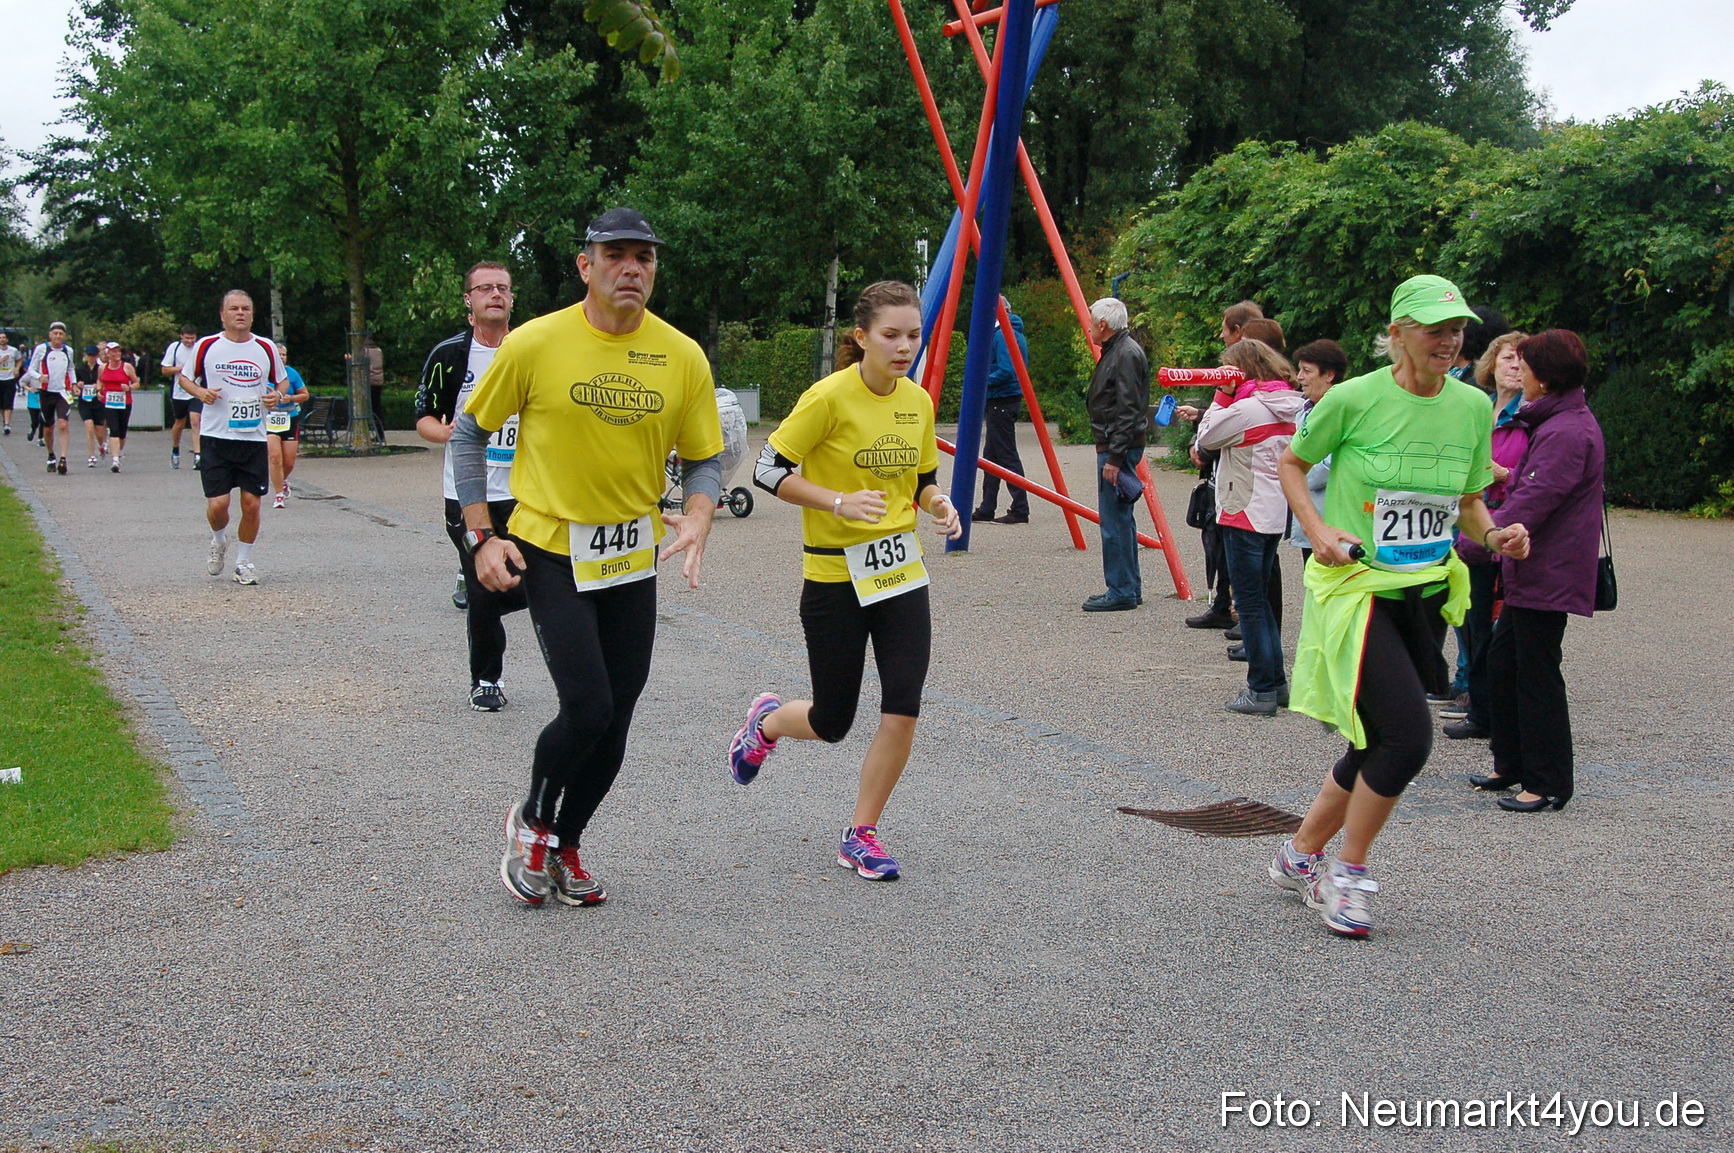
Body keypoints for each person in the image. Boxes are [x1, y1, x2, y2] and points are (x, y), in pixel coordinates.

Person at [453, 207, 723, 908]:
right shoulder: (536, 342)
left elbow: (703, 461)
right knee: (587, 704)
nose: (633, 268)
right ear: (587, 266)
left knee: (617, 716)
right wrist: (481, 535)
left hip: (631, 557)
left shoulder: (682, 355)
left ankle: (567, 839)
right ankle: (532, 822)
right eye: (617, 256)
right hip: (550, 548)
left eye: (646, 258)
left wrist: (698, 516)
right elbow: (467, 436)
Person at [1268, 274, 1530, 938]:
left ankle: (1299, 855)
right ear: (1395, 335)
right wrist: (1320, 532)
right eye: (1434, 329)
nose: (1449, 341)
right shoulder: (1354, 399)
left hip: (1424, 592)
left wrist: (1495, 534)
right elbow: (1292, 464)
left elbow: (1468, 501)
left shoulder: (1472, 407)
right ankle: (1345, 873)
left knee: (1375, 739)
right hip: (1355, 590)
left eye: (1457, 330)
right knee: (1409, 738)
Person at [730, 281, 961, 882]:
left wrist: (938, 504)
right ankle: (767, 722)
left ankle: (862, 833)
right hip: (835, 578)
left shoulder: (917, 402)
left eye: (913, 335)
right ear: (861, 337)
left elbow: (921, 479)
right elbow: (767, 470)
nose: (904, 345)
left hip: (900, 574)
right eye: (891, 335)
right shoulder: (827, 398)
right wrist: (836, 501)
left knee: (903, 707)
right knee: (834, 721)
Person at [1472, 330, 1605, 812]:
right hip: (1536, 567)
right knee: (1504, 663)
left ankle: (1547, 781)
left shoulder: (1567, 431)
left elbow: (1535, 499)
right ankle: (1511, 763)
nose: (1518, 373)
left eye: (1524, 367)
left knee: (1536, 673)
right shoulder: (1556, 421)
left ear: (1545, 379)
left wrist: (1478, 538)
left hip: (1550, 570)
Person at [415, 261, 527, 712]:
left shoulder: (530, 350)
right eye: (485, 288)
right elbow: (423, 418)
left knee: (535, 581)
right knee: (485, 590)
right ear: (469, 300)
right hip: (467, 495)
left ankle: (477, 584)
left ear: (512, 299)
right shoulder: (449, 355)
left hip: (525, 494)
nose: (495, 294)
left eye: (503, 288)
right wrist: (455, 435)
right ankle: (486, 678)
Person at [1197, 338, 1306, 715]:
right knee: (1261, 602)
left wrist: (1221, 396)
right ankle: (1275, 683)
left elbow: (1206, 438)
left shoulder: (1248, 408)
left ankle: (1261, 688)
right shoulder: (1293, 403)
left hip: (1243, 509)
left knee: (1251, 605)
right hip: (1274, 511)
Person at [1445, 330, 1529, 740]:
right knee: (1471, 623)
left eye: (1521, 360)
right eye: (1508, 359)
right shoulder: (1481, 409)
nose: (1514, 367)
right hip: (1470, 534)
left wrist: (1504, 475)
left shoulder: (1531, 415)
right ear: (1491, 365)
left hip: (1506, 530)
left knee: (1500, 632)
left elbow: (1539, 479)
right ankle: (1479, 708)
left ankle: (1496, 711)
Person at [179, 290, 288, 586]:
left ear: (252, 314)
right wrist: (200, 392)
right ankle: (218, 540)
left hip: (253, 438)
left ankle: (244, 561)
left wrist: (276, 395)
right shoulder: (207, 346)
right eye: (234, 309)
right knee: (218, 505)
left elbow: (282, 380)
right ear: (222, 314)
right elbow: (184, 378)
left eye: (246, 309)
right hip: (216, 436)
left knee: (252, 503)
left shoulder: (265, 347)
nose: (240, 313)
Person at [1081, 297, 1149, 612]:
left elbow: (1128, 408)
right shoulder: (1122, 351)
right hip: (1118, 443)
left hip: (1116, 445)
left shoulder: (1123, 354)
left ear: (1103, 326)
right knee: (1121, 517)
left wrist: (1115, 458)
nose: (1090, 327)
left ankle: (1121, 588)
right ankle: (1127, 586)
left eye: (1093, 322)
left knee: (1114, 520)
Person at [1285, 339, 1348, 565]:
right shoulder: (1305, 408)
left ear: (1329, 375)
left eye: (1306, 371)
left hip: (1333, 519)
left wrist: (1292, 473)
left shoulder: (1342, 409)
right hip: (1310, 521)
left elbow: (1326, 466)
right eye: (1299, 369)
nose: (1299, 377)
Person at [972, 296, 1031, 525]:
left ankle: (1020, 508)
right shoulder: (1008, 333)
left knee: (1005, 454)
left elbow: (1007, 370)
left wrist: (982, 380)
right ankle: (988, 507)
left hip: (1002, 399)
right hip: (1002, 399)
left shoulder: (1004, 335)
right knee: (993, 456)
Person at [29, 322, 76, 474]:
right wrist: (39, 377)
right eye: (55, 333)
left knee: (63, 424)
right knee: (48, 427)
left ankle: (63, 459)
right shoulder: (42, 349)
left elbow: (71, 368)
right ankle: (51, 455)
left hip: (63, 392)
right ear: (50, 335)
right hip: (47, 392)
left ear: (64, 336)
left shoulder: (68, 351)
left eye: (60, 334)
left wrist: (74, 383)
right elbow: (31, 369)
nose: (57, 336)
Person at [267, 345, 311, 507]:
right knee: (275, 457)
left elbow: (305, 395)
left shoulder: (292, 374)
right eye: (279, 355)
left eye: (284, 355)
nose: (282, 357)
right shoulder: (263, 372)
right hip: (270, 419)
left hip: (290, 418)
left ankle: (282, 479)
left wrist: (291, 398)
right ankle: (279, 494)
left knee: (289, 461)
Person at [163, 324, 201, 469]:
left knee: (195, 420)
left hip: (196, 390)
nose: (190, 342)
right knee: (179, 422)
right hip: (179, 391)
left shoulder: (199, 347)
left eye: (192, 338)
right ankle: (175, 448)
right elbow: (165, 370)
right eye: (187, 339)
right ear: (181, 336)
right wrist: (181, 368)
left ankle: (198, 455)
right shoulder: (175, 348)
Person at [97, 342, 137, 471]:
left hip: (124, 402)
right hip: (109, 402)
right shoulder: (103, 368)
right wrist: (99, 391)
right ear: (108, 354)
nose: (117, 354)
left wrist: (129, 387)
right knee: (113, 428)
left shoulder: (127, 367)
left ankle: (118, 452)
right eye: (113, 352)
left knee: (122, 430)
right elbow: (100, 380)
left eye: (118, 351)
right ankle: (115, 460)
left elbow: (136, 382)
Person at [76, 344, 110, 467]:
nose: (91, 358)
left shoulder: (101, 369)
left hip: (98, 402)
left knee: (99, 433)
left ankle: (102, 445)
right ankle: (91, 456)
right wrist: (78, 385)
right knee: (89, 428)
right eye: (89, 355)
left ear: (96, 356)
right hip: (84, 403)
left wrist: (99, 386)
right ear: (85, 356)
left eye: (93, 355)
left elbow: (106, 383)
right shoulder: (79, 369)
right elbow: (73, 385)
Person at [0, 331, 22, 436]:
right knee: (2, 404)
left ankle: (7, 424)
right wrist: (1, 360)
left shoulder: (13, 350)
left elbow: (19, 360)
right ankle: (5, 421)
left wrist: (17, 368)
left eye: (4, 338)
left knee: (8, 402)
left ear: (7, 340)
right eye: (0, 338)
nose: (2, 339)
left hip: (10, 379)